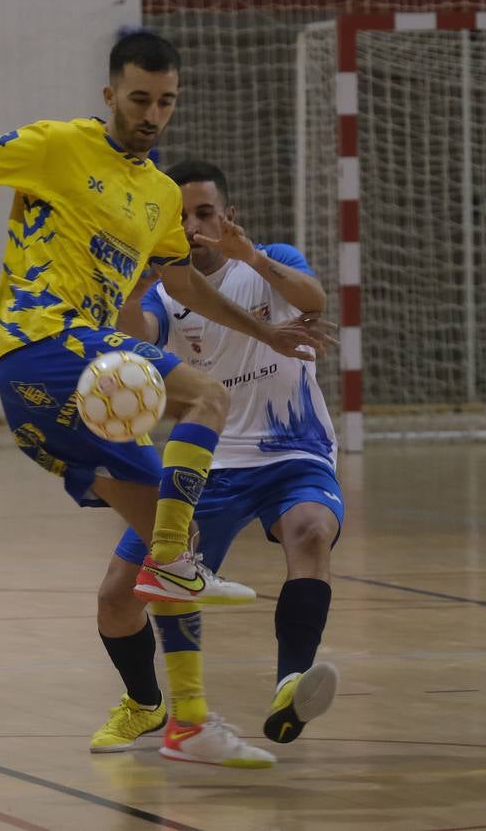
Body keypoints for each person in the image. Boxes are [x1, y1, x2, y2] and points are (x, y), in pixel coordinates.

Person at [0, 32, 330, 609]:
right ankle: (175, 564)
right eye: (139, 99)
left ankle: (152, 700)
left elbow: (184, 286)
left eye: (165, 101)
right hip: (44, 339)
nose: (152, 115)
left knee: (163, 546)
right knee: (206, 399)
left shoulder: (158, 194)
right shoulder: (54, 144)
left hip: (52, 387)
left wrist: (267, 332)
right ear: (110, 94)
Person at [90, 160, 343, 768]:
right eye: (179, 217)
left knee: (310, 531)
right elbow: (133, 331)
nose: (194, 226)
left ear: (226, 216)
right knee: (117, 600)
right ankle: (147, 702)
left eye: (204, 213)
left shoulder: (271, 261)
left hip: (294, 449)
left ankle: (290, 683)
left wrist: (252, 256)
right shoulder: (162, 291)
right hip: (207, 466)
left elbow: (313, 298)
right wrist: (134, 273)